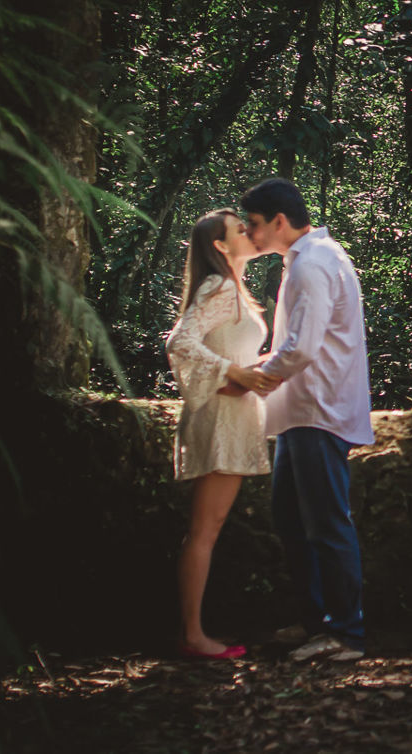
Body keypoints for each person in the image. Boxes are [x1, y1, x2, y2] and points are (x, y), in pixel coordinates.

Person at [239, 177, 373, 664]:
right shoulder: (308, 259)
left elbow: (299, 350)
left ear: (279, 221)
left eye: (254, 224)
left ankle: (347, 633)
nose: (250, 234)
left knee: (326, 524)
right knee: (292, 521)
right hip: (299, 411)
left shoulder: (314, 264)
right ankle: (319, 622)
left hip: (319, 409)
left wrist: (249, 379)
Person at [163, 209, 280, 660]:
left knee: (207, 529)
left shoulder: (237, 290)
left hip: (232, 411)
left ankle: (192, 632)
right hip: (220, 417)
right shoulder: (218, 286)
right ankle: (192, 636)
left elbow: (225, 347)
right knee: (204, 531)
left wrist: (256, 369)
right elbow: (180, 342)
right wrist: (231, 371)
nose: (250, 233)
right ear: (219, 246)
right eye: (239, 230)